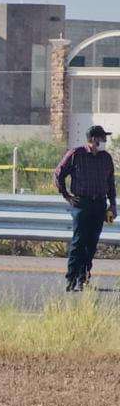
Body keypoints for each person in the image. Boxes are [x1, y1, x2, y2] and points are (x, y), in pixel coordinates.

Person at [54, 124, 117, 291]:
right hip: (82, 203)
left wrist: (113, 205)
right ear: (94, 139)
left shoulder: (106, 158)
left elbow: (111, 183)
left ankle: (84, 277)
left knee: (92, 243)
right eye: (102, 138)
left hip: (99, 204)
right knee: (78, 241)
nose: (104, 141)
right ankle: (71, 278)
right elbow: (58, 174)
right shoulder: (76, 154)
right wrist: (66, 195)